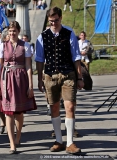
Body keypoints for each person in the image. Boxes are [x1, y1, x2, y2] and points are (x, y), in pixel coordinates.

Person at [35, 7, 84, 154]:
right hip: (50, 76)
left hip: (68, 74)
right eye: (51, 21)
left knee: (69, 106)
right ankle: (59, 140)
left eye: (56, 20)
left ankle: (70, 142)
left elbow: (76, 57)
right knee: (54, 108)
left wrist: (80, 77)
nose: (53, 24)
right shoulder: (42, 36)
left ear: (60, 18)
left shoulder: (69, 33)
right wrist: (39, 79)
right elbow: (39, 59)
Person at [0, 21, 37, 153]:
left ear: (18, 31)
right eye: (10, 31)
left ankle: (18, 136)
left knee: (19, 112)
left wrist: (30, 85)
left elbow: (29, 66)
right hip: (7, 80)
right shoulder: (2, 46)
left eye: (14, 31)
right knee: (8, 112)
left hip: (21, 79)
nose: (12, 33)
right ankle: (11, 143)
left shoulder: (25, 46)